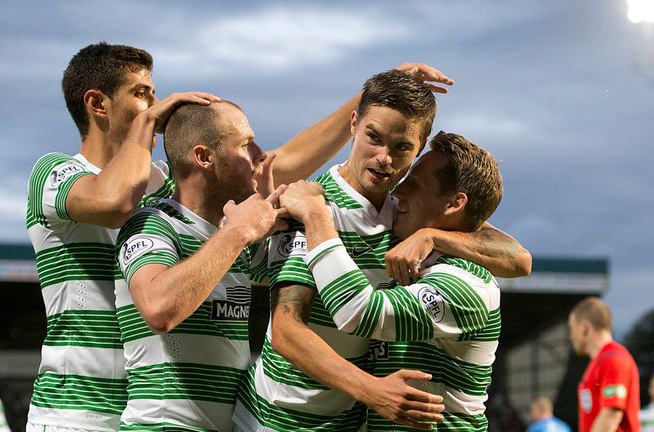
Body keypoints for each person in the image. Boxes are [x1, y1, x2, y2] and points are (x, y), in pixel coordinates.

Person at [26, 42, 448, 431]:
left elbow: (269, 166)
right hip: (75, 408)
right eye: (142, 94)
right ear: (97, 103)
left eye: (154, 94)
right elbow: (116, 202)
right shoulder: (59, 174)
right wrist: (155, 126)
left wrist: (378, 94)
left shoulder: (159, 185)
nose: (157, 103)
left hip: (153, 401)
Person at [233, 71, 532, 431]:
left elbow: (518, 257)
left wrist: (435, 237)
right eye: (373, 138)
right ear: (355, 124)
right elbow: (286, 332)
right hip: (276, 420)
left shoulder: (404, 211)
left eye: (402, 147)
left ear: (418, 148)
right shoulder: (314, 207)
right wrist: (371, 390)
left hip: (344, 423)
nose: (383, 158)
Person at [274, 132, 513, 431]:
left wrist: (315, 215)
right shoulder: (409, 252)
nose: (399, 191)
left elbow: (360, 312)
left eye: (415, 185)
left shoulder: (466, 284)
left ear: (454, 204)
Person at [569, 297, 641, 432]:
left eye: (572, 329)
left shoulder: (614, 359)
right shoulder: (599, 362)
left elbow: (611, 414)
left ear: (585, 329)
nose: (571, 336)